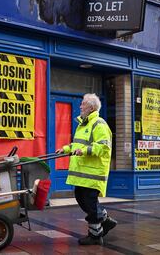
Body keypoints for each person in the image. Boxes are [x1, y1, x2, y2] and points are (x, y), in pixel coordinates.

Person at [56, 93, 117, 246]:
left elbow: (103, 147)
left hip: (93, 173)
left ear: (90, 107)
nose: (80, 106)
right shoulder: (83, 124)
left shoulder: (99, 123)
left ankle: (95, 236)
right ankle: (105, 220)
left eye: (83, 103)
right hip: (83, 173)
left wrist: (85, 151)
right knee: (81, 198)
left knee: (90, 203)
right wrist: (65, 149)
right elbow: (77, 145)